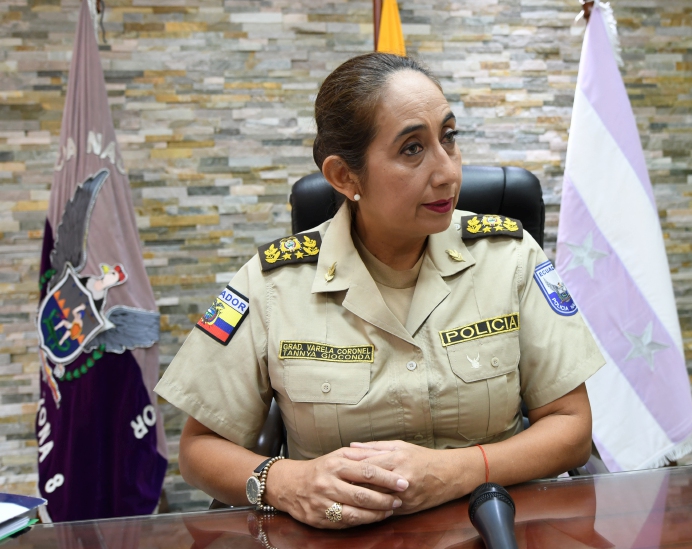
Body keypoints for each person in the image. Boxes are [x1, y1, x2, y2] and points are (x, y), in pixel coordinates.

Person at [155, 52, 605, 530]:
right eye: (412, 149)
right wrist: (288, 482)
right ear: (344, 177)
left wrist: (457, 472)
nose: (448, 172)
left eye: (448, 138)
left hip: (492, 526)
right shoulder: (274, 282)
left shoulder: (509, 256)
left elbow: (572, 427)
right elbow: (199, 449)